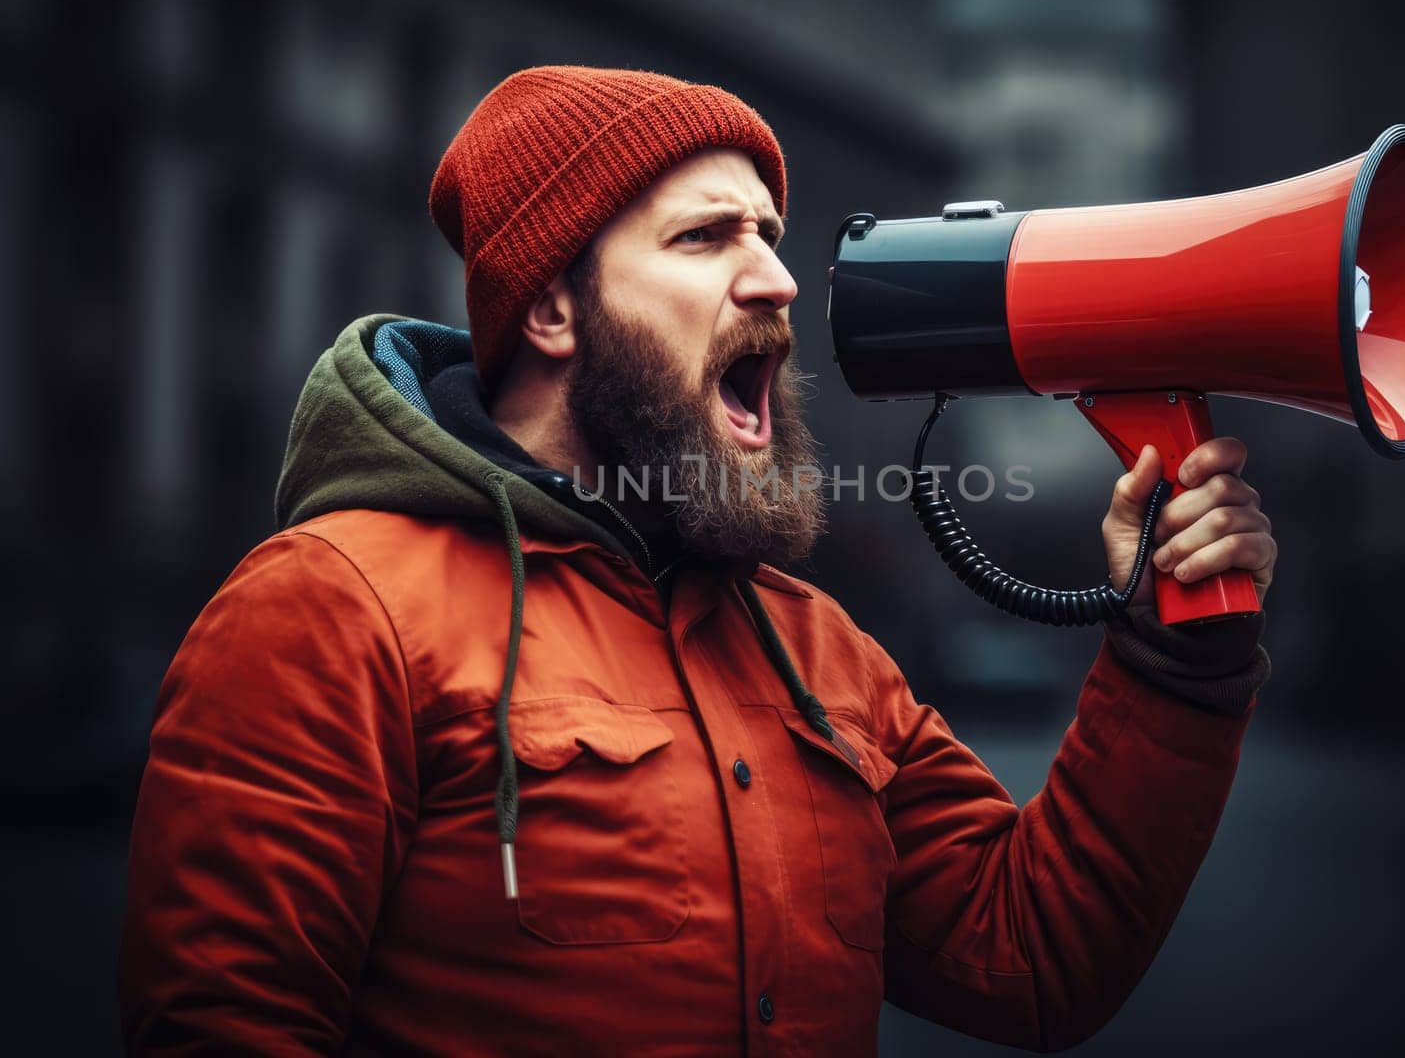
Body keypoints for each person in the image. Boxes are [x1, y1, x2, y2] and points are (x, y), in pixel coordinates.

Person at [119, 66, 1276, 1055]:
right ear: (557, 309)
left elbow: (1030, 953)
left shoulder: (815, 644)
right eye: (705, 236)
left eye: (768, 236)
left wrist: (1178, 649)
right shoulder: (329, 605)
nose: (775, 278)